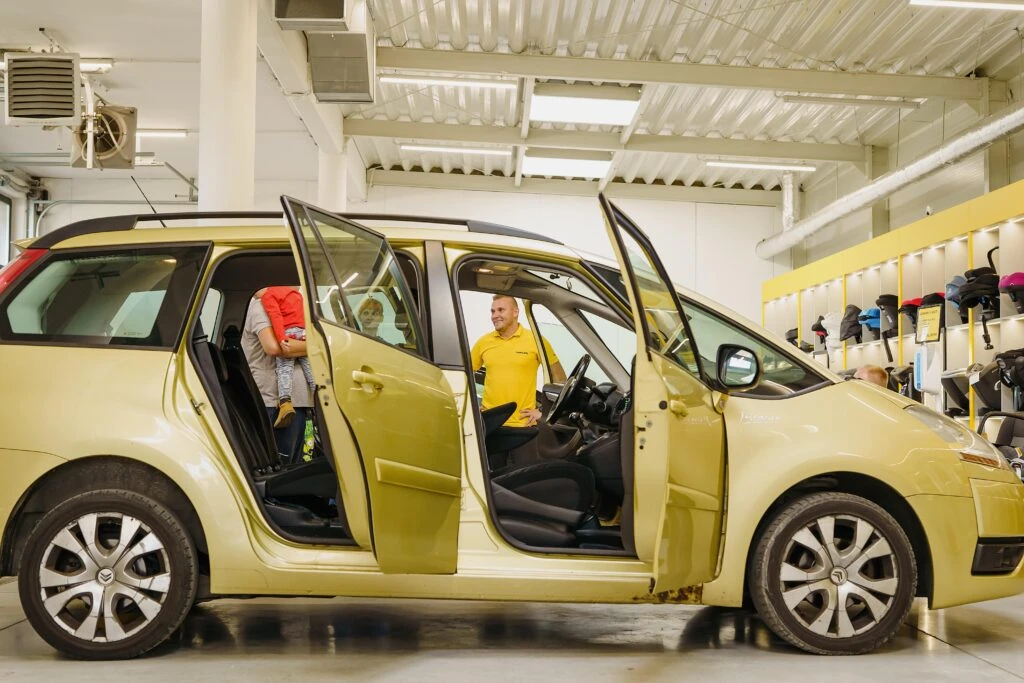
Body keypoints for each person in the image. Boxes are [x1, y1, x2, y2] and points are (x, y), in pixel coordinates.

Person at [470, 294, 566, 427]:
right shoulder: (483, 342)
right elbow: (464, 376)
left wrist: (542, 411)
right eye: (492, 311)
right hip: (489, 423)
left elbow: (560, 379)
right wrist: (472, 406)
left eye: (501, 310)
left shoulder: (536, 340)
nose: (495, 315)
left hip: (523, 424)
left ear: (515, 312)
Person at [242, 288, 314, 463]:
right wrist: (318, 346)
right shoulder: (261, 306)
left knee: (296, 464)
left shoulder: (297, 303)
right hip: (274, 402)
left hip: (299, 401)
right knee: (282, 464)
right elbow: (275, 348)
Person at [258, 286, 316, 428]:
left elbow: (275, 316)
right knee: (310, 368)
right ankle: (319, 397)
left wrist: (281, 338)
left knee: (284, 369)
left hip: (290, 332)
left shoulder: (268, 295)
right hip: (304, 333)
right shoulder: (295, 293)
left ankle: (285, 403)